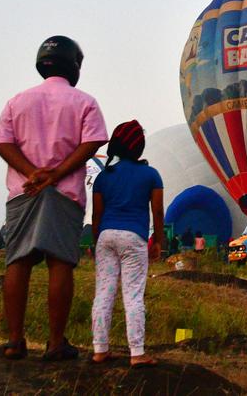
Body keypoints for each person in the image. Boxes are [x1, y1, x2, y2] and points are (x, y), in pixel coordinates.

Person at [0, 36, 107, 361]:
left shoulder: (18, 100)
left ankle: (14, 341)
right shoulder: (84, 101)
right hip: (64, 193)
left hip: (23, 191)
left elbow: (2, 143)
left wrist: (32, 173)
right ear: (74, 65)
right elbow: (93, 142)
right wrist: (54, 175)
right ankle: (55, 343)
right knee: (60, 263)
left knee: (18, 261)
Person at [89, 120, 163, 367]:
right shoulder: (151, 175)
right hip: (134, 237)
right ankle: (137, 352)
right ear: (139, 147)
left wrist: (95, 241)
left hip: (106, 236)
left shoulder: (103, 177)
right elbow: (158, 211)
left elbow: (96, 216)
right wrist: (158, 241)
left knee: (104, 292)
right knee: (132, 294)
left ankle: (100, 349)